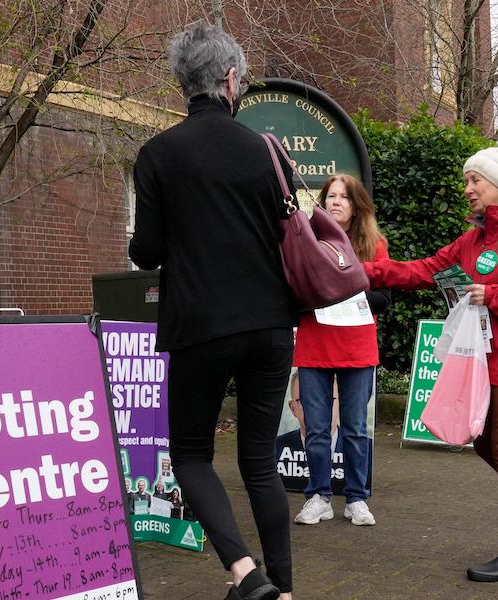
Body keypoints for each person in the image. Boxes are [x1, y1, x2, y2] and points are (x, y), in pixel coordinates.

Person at [129, 21, 295, 600]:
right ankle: (285, 590)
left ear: (184, 83)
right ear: (230, 79)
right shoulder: (268, 151)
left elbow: (146, 251)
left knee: (192, 455)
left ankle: (244, 573)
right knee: (259, 462)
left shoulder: (158, 155)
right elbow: (288, 230)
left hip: (201, 324)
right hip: (273, 324)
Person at [363, 147, 498, 582]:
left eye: (475, 180)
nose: (468, 189)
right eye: (466, 181)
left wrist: (494, 295)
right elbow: (427, 269)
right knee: (484, 444)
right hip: (487, 359)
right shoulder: (474, 239)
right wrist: (367, 272)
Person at [293, 175, 391, 528]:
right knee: (317, 429)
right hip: (314, 347)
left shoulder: (374, 246)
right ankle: (318, 496)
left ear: (357, 205)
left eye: (344, 197)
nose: (335, 202)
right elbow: (292, 294)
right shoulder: (306, 242)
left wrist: (346, 293)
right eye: (330, 196)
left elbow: (385, 298)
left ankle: (356, 499)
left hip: (357, 349)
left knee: (354, 428)